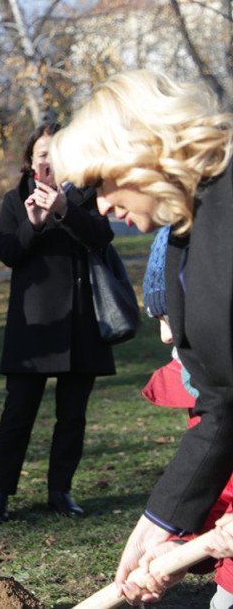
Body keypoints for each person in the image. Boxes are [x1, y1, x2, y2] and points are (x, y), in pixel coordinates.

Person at [49, 68, 233, 604]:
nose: (101, 206)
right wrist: (158, 524)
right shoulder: (181, 241)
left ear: (140, 153)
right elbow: (221, 401)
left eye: (100, 184)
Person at [0, 121, 117, 525]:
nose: (50, 161)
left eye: (58, 154)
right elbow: (8, 252)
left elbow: (101, 237)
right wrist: (35, 223)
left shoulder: (88, 194)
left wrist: (64, 210)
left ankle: (61, 491)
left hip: (81, 323)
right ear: (30, 160)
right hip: (34, 327)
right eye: (43, 154)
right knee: (17, 415)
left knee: (72, 416)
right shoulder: (15, 199)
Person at [139, 226, 233, 609]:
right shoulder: (204, 384)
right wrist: (184, 543)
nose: (165, 335)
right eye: (158, 318)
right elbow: (221, 486)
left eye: (170, 316)